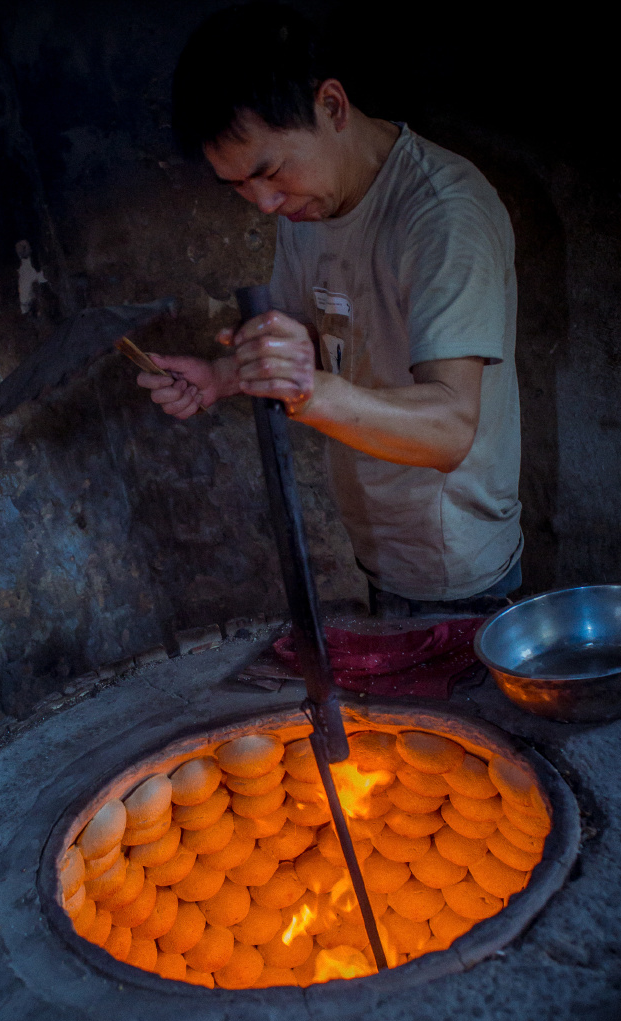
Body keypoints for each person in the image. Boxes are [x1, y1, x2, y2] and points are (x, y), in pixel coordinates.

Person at [136, 3, 522, 616]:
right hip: (382, 542)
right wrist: (224, 376)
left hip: (457, 563)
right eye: (237, 185)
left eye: (270, 172)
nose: (262, 203)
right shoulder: (307, 203)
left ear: (333, 107)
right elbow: (312, 346)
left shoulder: (442, 216)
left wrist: (309, 396)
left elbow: (450, 429)